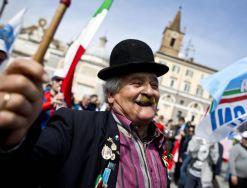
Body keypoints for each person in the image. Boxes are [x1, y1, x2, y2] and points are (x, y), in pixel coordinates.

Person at [0, 39, 169, 188]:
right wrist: (12, 139)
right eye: (137, 83)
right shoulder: (74, 126)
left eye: (154, 85)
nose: (149, 91)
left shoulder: (159, 142)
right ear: (111, 95)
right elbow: (23, 172)